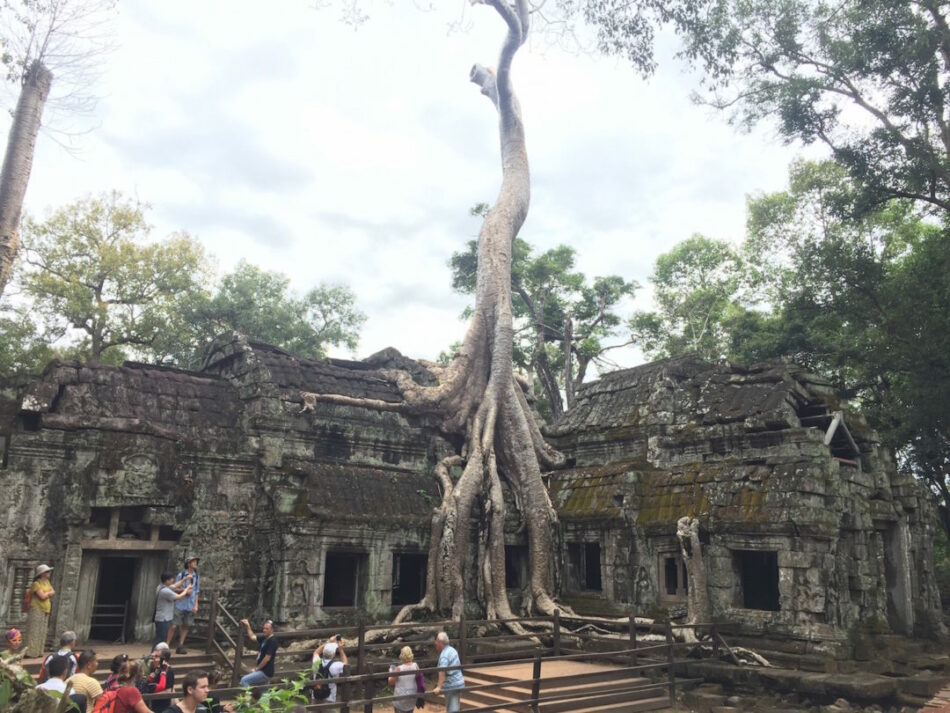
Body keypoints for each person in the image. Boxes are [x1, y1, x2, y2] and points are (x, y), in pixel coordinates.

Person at [168, 556, 199, 654]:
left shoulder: (196, 576)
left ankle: (180, 645)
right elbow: (174, 588)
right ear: (189, 564)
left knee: (186, 625)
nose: (195, 563)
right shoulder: (181, 575)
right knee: (174, 625)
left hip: (190, 604)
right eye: (193, 562)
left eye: (195, 562)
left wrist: (196, 605)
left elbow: (197, 591)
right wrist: (184, 591)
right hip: (180, 603)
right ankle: (166, 645)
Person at [154, 572, 193, 647]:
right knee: (160, 640)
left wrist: (184, 579)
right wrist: (187, 589)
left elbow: (175, 586)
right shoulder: (165, 591)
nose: (173, 580)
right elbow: (179, 597)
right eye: (171, 579)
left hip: (163, 618)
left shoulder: (161, 587)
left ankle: (157, 655)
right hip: (163, 618)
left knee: (160, 639)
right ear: (167, 581)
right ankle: (155, 654)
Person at [24, 564, 55, 658]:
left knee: (42, 630)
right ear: (42, 573)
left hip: (45, 610)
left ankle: (39, 651)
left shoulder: (47, 582)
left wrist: (47, 593)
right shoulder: (36, 584)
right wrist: (48, 593)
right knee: (34, 631)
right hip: (36, 609)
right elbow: (42, 596)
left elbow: (53, 592)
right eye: (47, 571)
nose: (49, 573)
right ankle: (31, 652)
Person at [238, 617, 278, 687]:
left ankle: (249, 697)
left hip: (265, 672)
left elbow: (267, 658)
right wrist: (248, 625)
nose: (264, 630)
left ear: (272, 630)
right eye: (264, 628)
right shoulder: (264, 638)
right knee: (264, 694)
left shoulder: (272, 641)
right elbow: (252, 637)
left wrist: (257, 669)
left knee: (244, 680)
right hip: (263, 671)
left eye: (267, 629)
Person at [433, 631, 464, 713]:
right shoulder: (452, 650)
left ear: (440, 642)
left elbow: (442, 671)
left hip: (452, 685)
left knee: (452, 709)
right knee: (455, 706)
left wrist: (439, 687)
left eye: (436, 641)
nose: (435, 643)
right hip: (459, 683)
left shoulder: (444, 655)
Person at [311, 636, 347, 703]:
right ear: (334, 655)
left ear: (323, 652)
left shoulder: (316, 661)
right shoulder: (335, 665)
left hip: (315, 696)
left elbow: (316, 652)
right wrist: (341, 650)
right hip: (329, 698)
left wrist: (329, 642)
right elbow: (345, 664)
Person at [387, 646, 420, 713]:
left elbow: (391, 682)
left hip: (400, 700)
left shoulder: (399, 668)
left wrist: (390, 672)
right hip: (412, 698)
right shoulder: (416, 666)